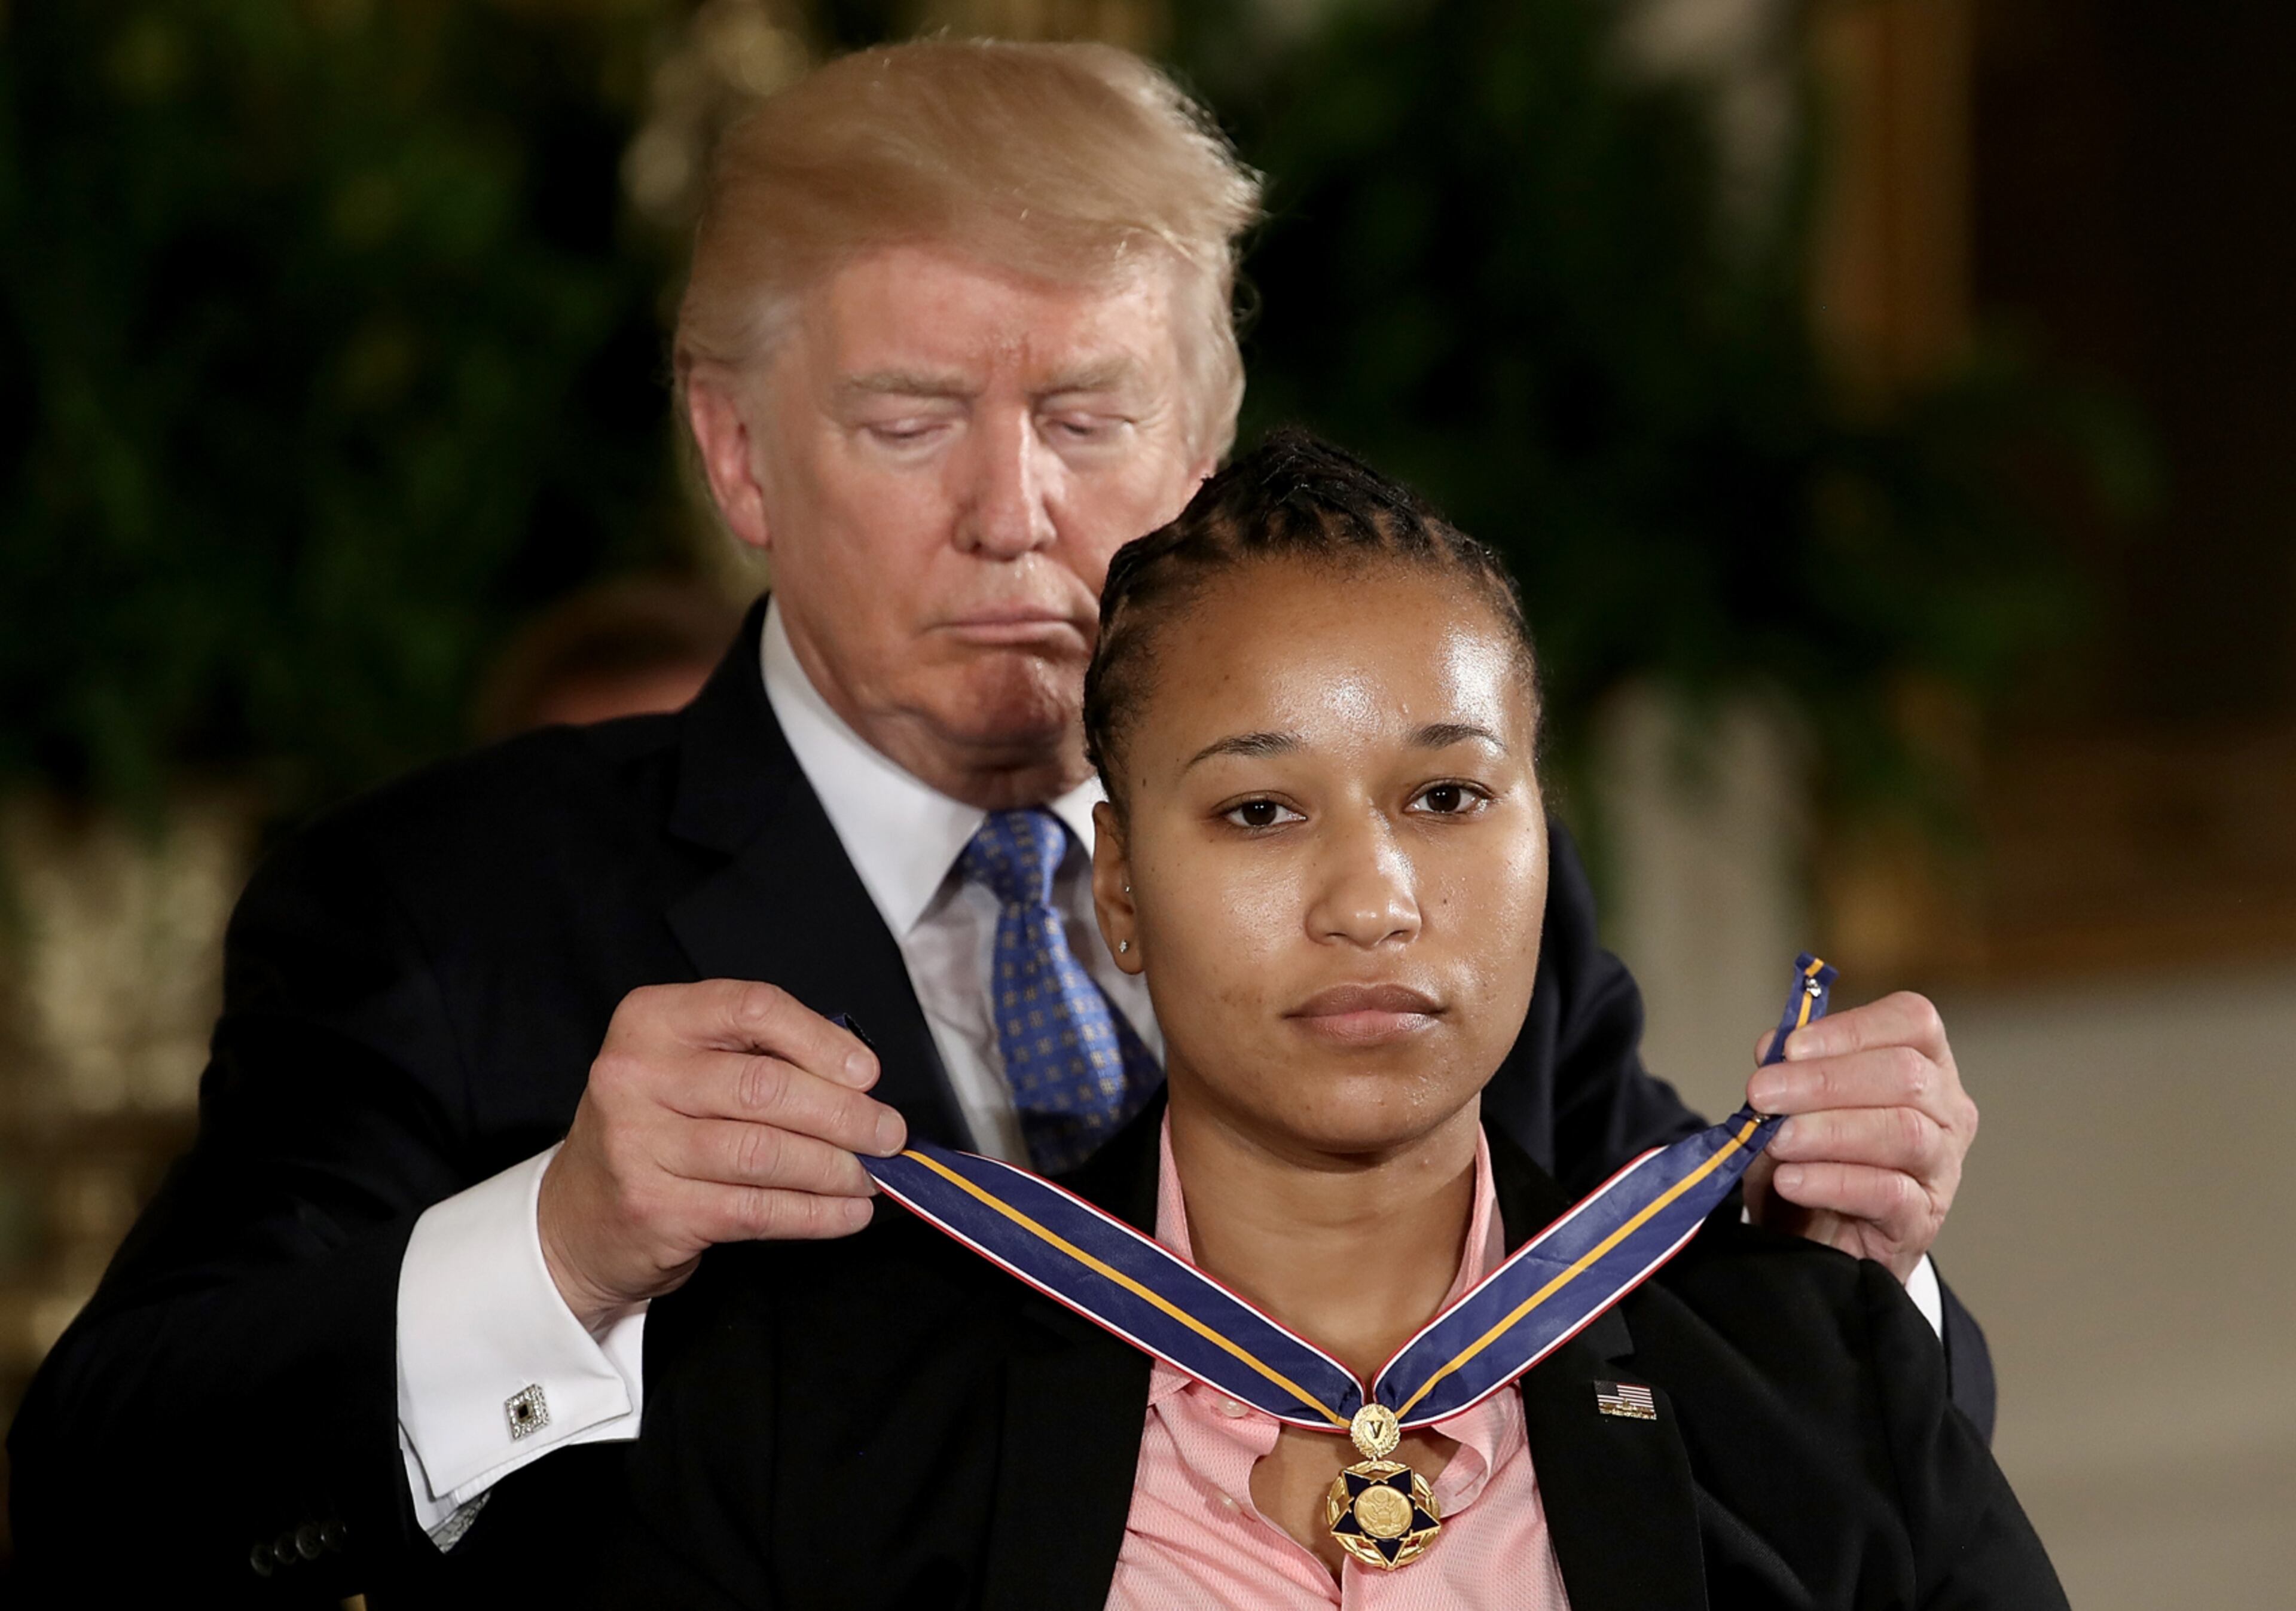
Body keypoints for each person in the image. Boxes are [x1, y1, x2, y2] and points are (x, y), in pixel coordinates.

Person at [5, 39, 1984, 1604]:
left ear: (1197, 455)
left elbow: (1814, 1461)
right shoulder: (443, 912)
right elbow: (105, 1493)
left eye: (1091, 419)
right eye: (908, 420)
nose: (1013, 507)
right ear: (734, 449)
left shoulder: (1428, 905)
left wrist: (1868, 1255)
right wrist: (559, 1242)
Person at [593, 432, 2062, 1609]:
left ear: (1548, 839)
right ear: (1117, 886)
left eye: (1445, 797)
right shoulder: (820, 1415)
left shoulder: (1812, 1371)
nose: (1372, 900)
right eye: (1259, 809)